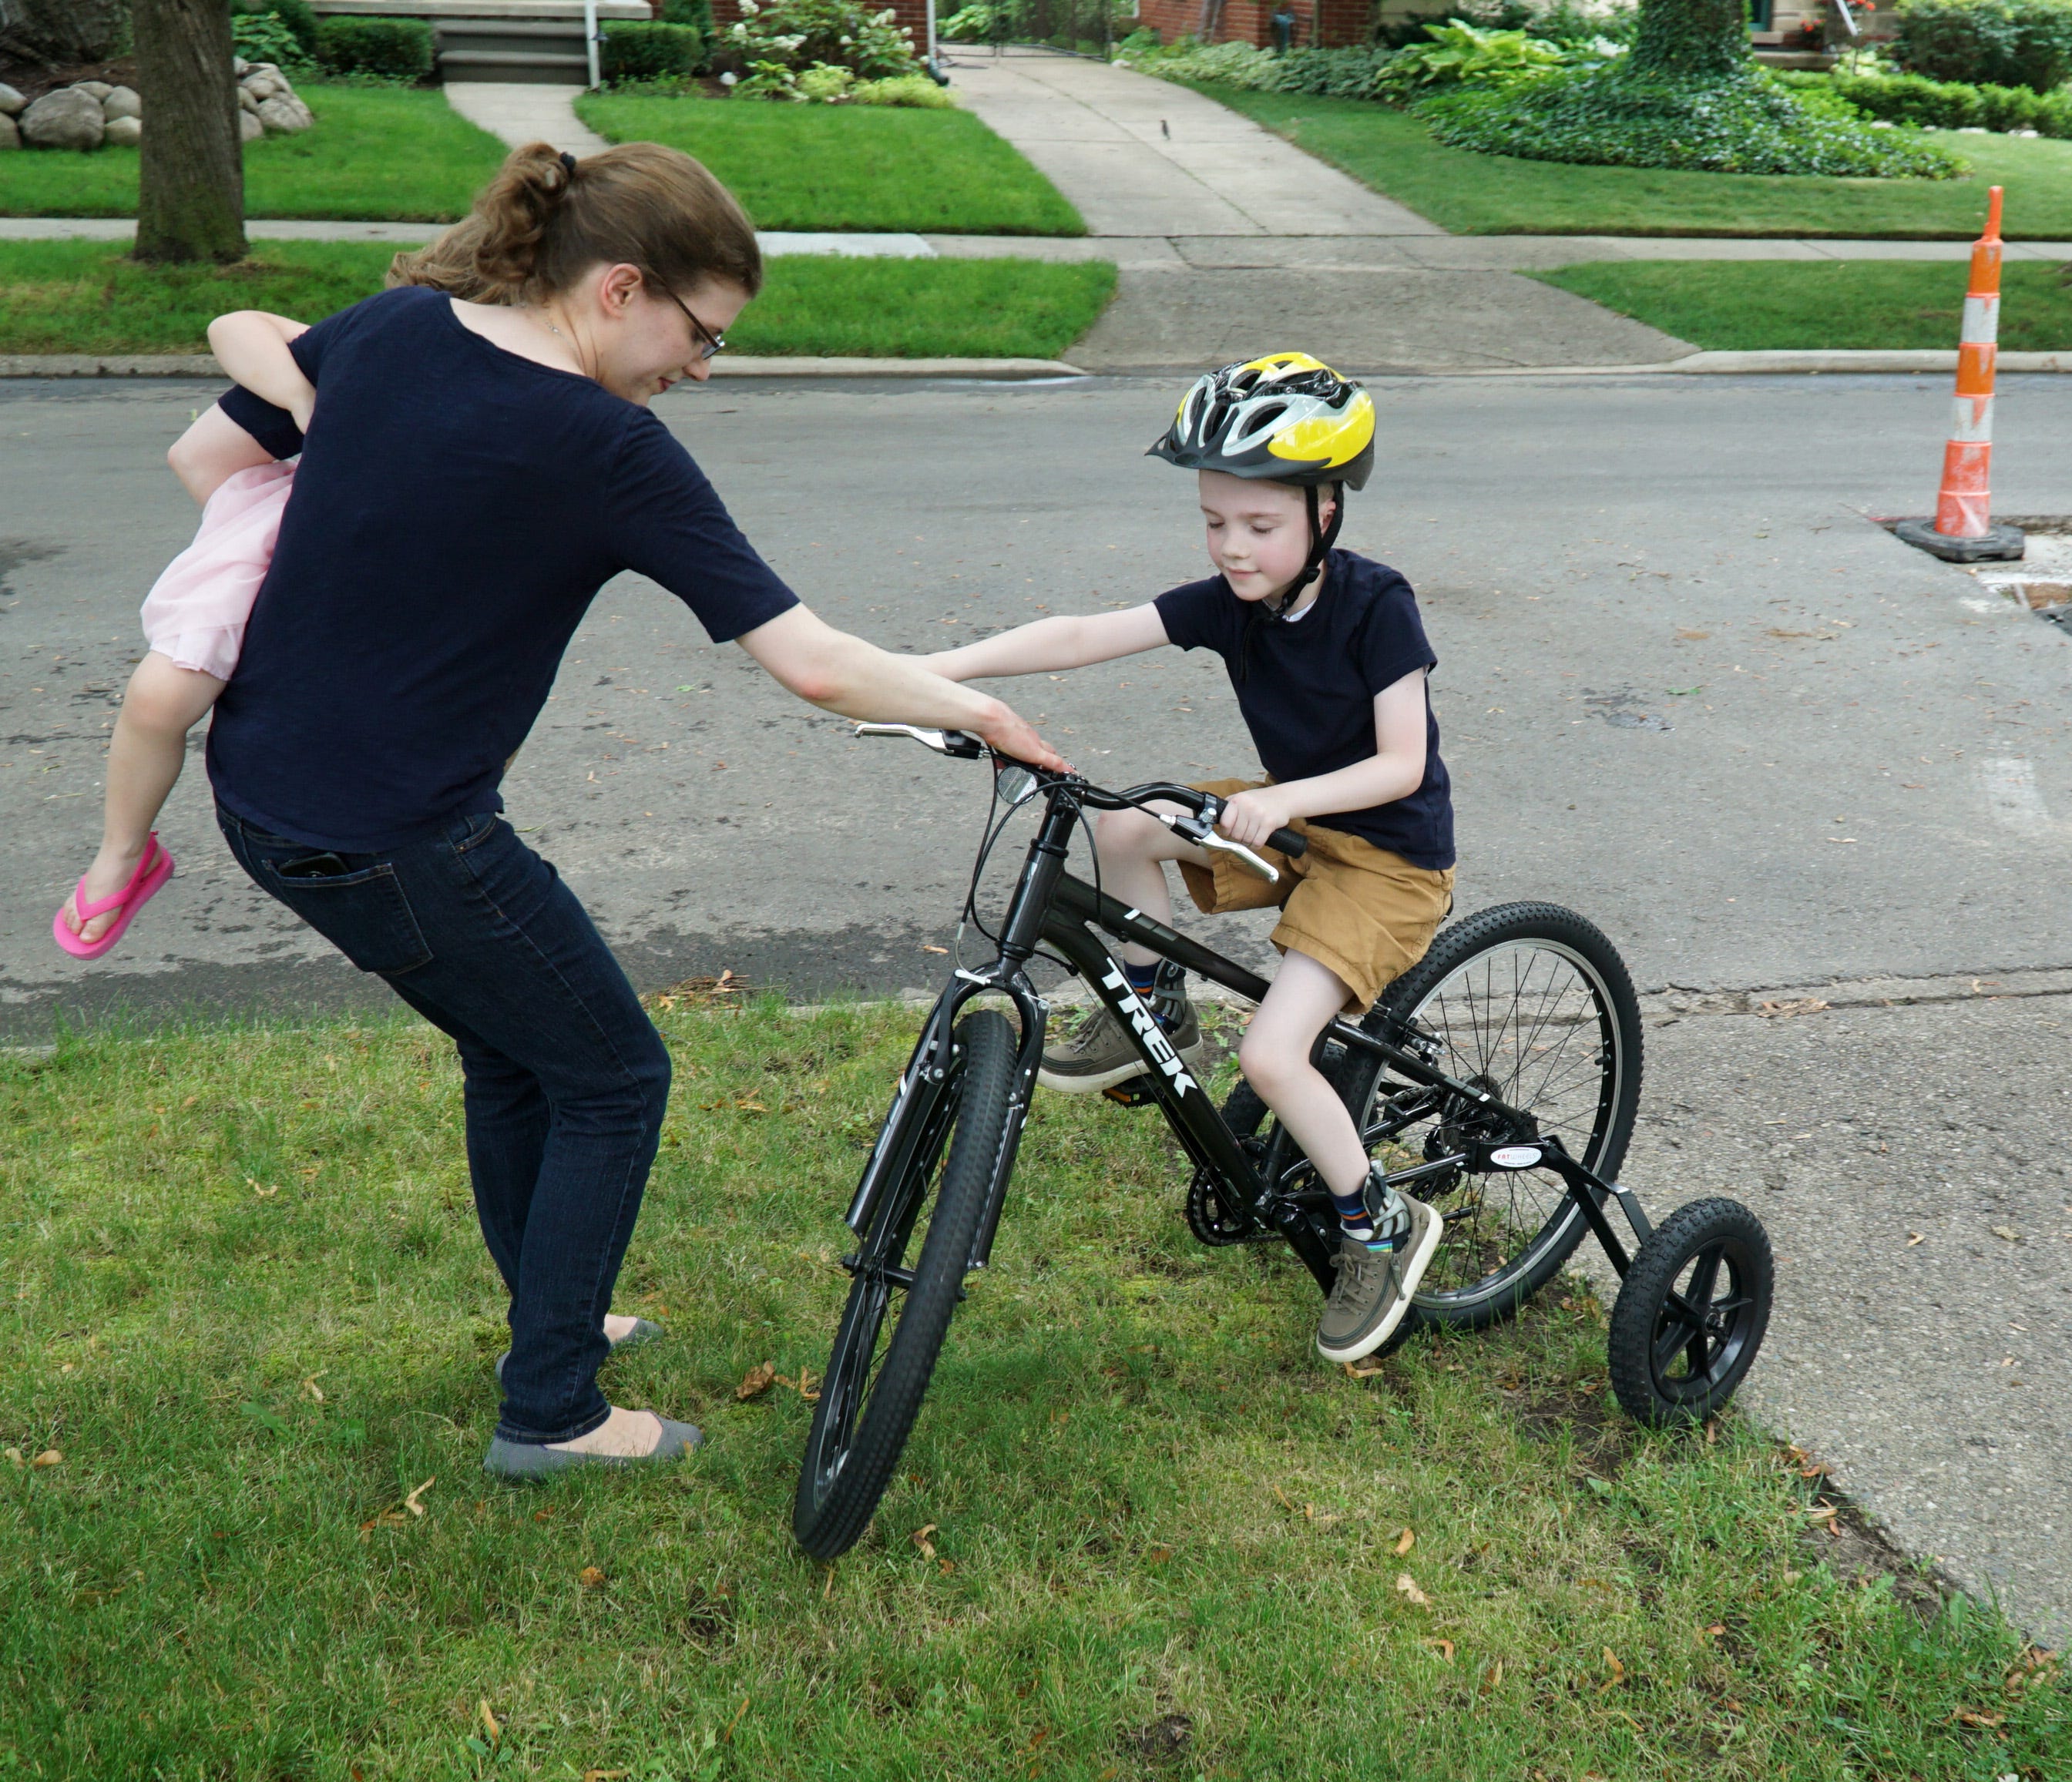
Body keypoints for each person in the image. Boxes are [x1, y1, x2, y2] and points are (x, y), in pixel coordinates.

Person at [149, 139, 1062, 1477]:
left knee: (518, 1048)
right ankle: (553, 1411)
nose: (701, 367)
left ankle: (550, 1315)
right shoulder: (603, 445)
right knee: (612, 1072)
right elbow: (808, 659)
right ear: (620, 286)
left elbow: (202, 454)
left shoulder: (398, 328)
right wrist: (980, 710)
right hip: (399, 834)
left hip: (272, 792)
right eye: (701, 335)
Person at [922, 354, 1454, 1365]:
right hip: (1289, 830)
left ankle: (1378, 1224)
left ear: (1326, 513)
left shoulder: (1378, 606)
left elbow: (1401, 763)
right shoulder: (1230, 602)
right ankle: (1155, 1004)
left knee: (1270, 1054)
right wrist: (931, 671)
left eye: (1259, 527)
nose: (1232, 548)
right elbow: (1082, 635)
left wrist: (1282, 798)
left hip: (1385, 861)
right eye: (1214, 522)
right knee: (1126, 824)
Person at [50, 311, 317, 958]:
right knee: (156, 698)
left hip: (378, 563)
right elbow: (233, 326)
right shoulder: (381, 347)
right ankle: (125, 851)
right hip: (281, 534)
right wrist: (306, 400)